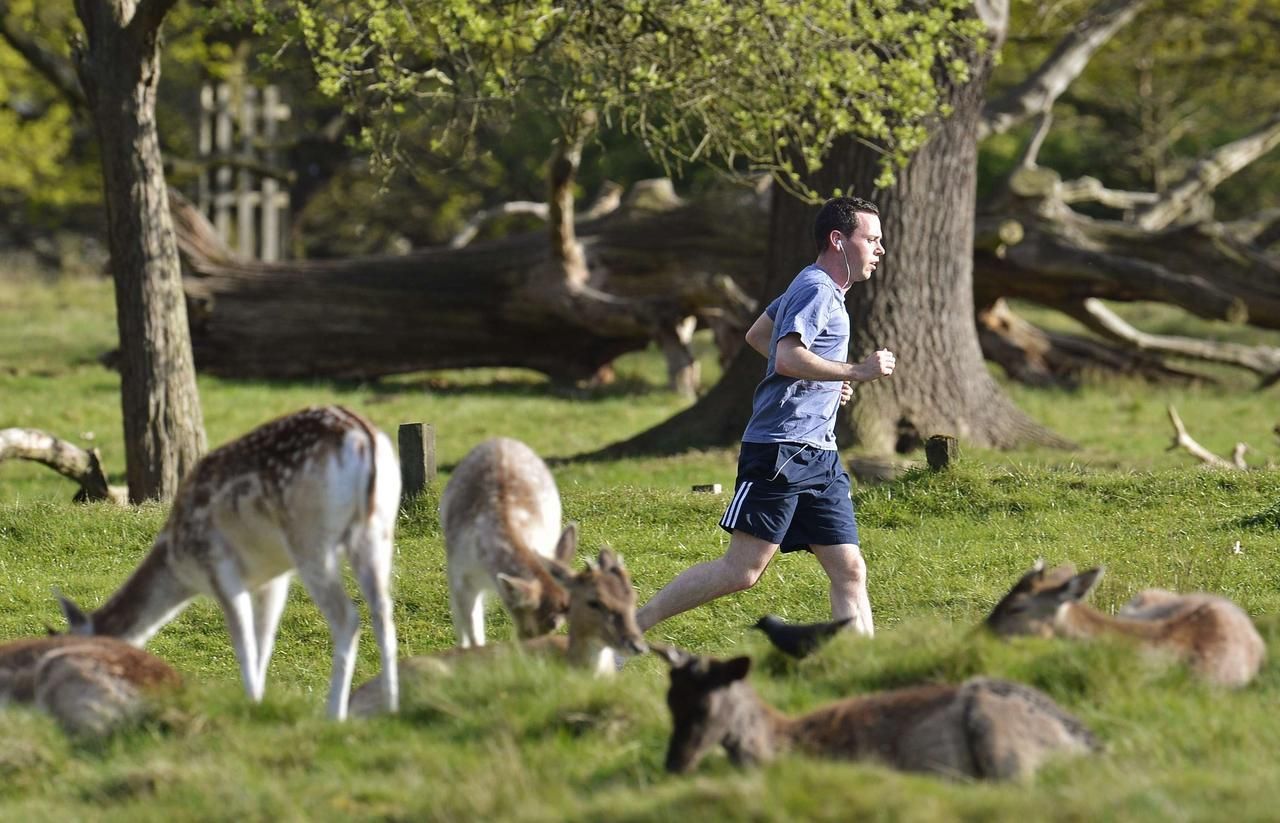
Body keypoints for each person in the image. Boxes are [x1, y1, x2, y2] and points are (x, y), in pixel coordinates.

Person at [636, 196, 894, 636]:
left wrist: (827, 380)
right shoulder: (816, 288)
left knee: (849, 569)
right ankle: (630, 628)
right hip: (783, 450)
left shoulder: (817, 286)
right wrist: (855, 370)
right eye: (871, 239)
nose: (879, 250)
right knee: (742, 571)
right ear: (838, 240)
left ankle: (860, 670)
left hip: (821, 455)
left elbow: (760, 335)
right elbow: (787, 357)